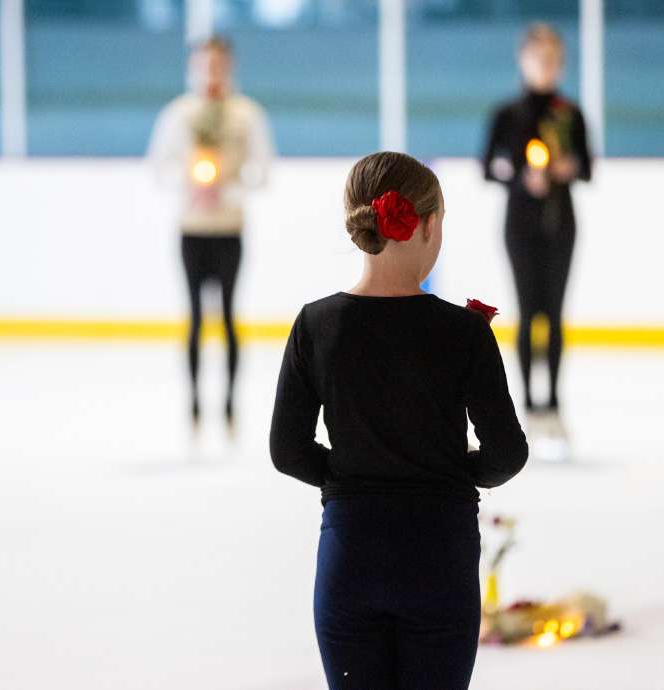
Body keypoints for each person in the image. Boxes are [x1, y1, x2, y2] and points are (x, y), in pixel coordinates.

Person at [270, 151, 528, 689]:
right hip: (439, 558)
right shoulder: (464, 333)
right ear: (431, 225)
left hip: (351, 555)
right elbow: (507, 454)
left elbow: (288, 450)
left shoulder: (316, 325)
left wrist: (350, 476)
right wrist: (454, 473)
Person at [147, 35, 274, 433]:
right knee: (196, 317)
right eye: (206, 63)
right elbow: (159, 167)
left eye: (219, 63)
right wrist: (191, 187)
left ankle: (230, 404)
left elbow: (263, 170)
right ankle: (195, 405)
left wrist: (229, 189)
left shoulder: (246, 114)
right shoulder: (179, 114)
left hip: (229, 228)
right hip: (192, 228)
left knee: (230, 315)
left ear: (230, 65)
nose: (212, 71)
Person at [480, 23, 592, 443]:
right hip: (520, 225)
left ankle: (555, 402)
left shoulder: (570, 113)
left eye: (552, 59)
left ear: (560, 64)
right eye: (538, 57)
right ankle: (528, 401)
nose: (545, 65)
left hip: (561, 222)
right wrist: (521, 180)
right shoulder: (507, 114)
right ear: (523, 60)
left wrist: (568, 169)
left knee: (555, 314)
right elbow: (489, 166)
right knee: (528, 312)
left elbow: (587, 166)